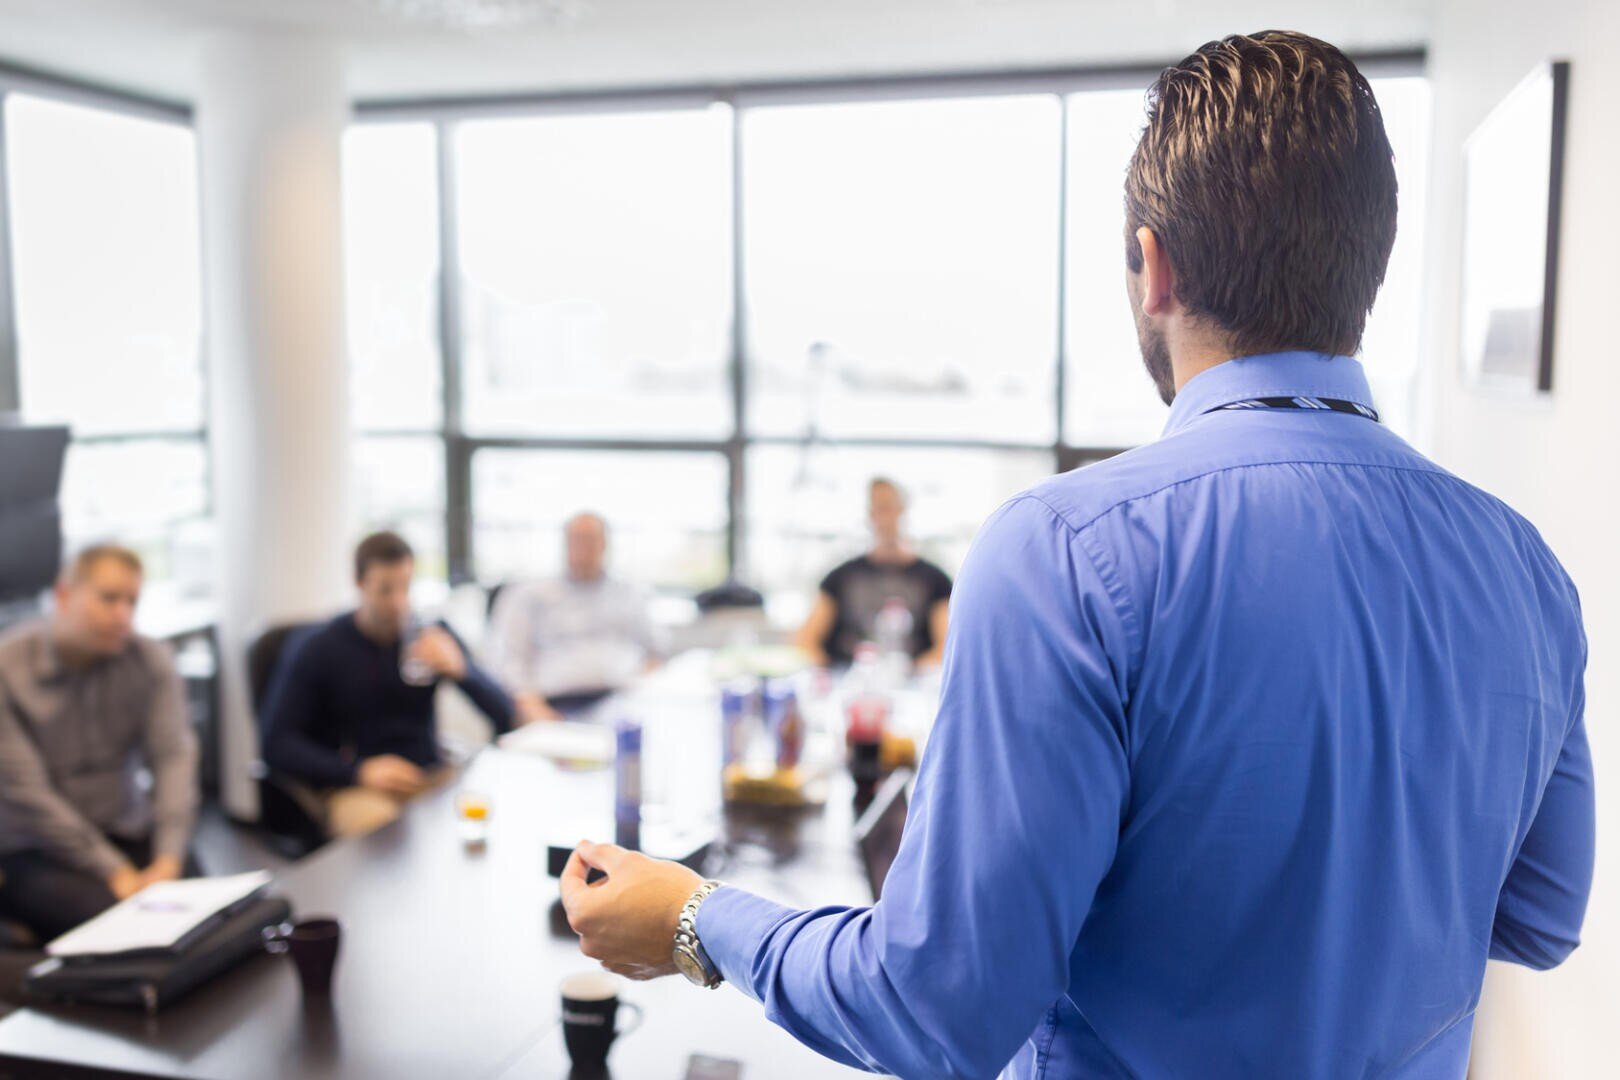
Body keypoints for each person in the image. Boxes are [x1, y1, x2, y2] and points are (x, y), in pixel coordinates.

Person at [558, 32, 1594, 1078]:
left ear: (1155, 266)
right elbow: (1541, 913)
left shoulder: (1069, 551)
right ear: (1366, 264)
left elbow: (934, 1012)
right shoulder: (1526, 569)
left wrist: (696, 920)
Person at [0, 545, 200, 943]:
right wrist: (114, 870)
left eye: (132, 602)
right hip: (40, 849)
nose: (123, 616)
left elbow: (173, 756)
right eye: (109, 598)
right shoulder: (8, 669)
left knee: (205, 912)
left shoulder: (149, 659)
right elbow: (28, 794)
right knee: (128, 930)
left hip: (126, 828)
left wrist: (168, 858)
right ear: (64, 595)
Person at [260, 531, 516, 838]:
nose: (398, 603)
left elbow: (505, 714)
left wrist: (463, 671)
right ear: (359, 583)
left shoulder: (430, 633)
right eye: (385, 590)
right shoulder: (320, 648)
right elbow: (276, 743)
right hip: (358, 785)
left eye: (405, 587)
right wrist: (358, 772)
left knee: (487, 817)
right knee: (387, 840)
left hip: (428, 775)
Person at [486, 512, 663, 723]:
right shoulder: (529, 594)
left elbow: (654, 652)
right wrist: (533, 709)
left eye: (591, 539)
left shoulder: (629, 593)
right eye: (577, 539)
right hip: (557, 705)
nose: (583, 547)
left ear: (605, 544)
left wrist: (643, 692)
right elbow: (509, 660)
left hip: (622, 700)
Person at [793, 478, 952, 667]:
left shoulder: (935, 580)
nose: (884, 518)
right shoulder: (840, 577)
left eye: (888, 507)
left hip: (910, 679)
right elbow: (806, 640)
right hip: (850, 678)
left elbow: (946, 646)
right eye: (877, 508)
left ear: (902, 510)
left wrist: (912, 674)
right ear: (869, 514)